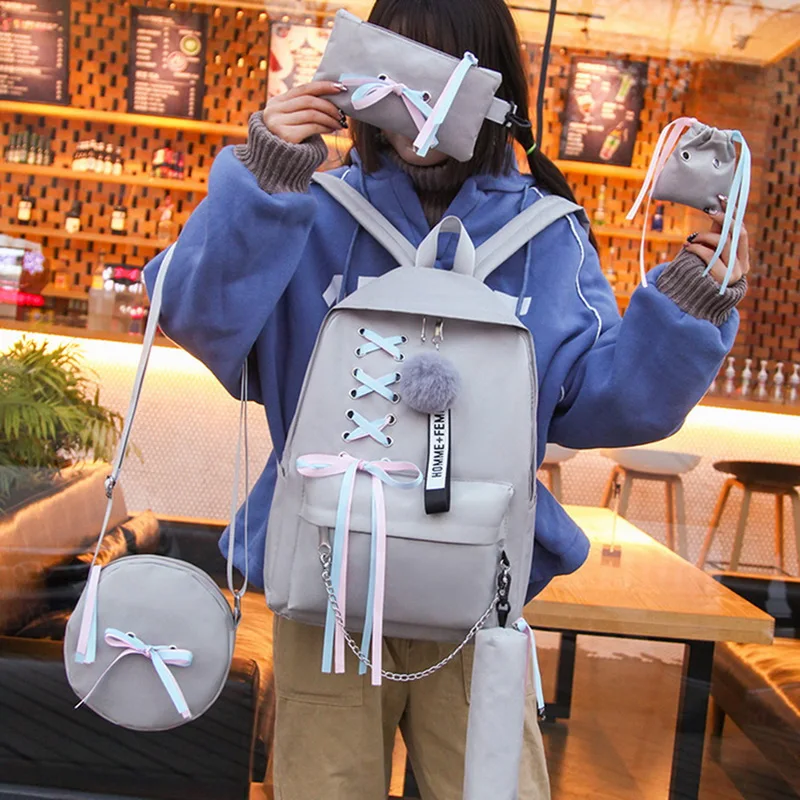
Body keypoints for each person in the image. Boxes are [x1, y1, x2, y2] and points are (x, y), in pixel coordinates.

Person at [143, 1, 749, 797]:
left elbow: (609, 404)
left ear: (496, 88)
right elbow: (197, 318)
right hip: (327, 583)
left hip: (478, 582)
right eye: (398, 68)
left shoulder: (545, 234)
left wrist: (691, 300)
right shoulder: (314, 211)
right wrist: (266, 180)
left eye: (451, 74)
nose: (421, 103)